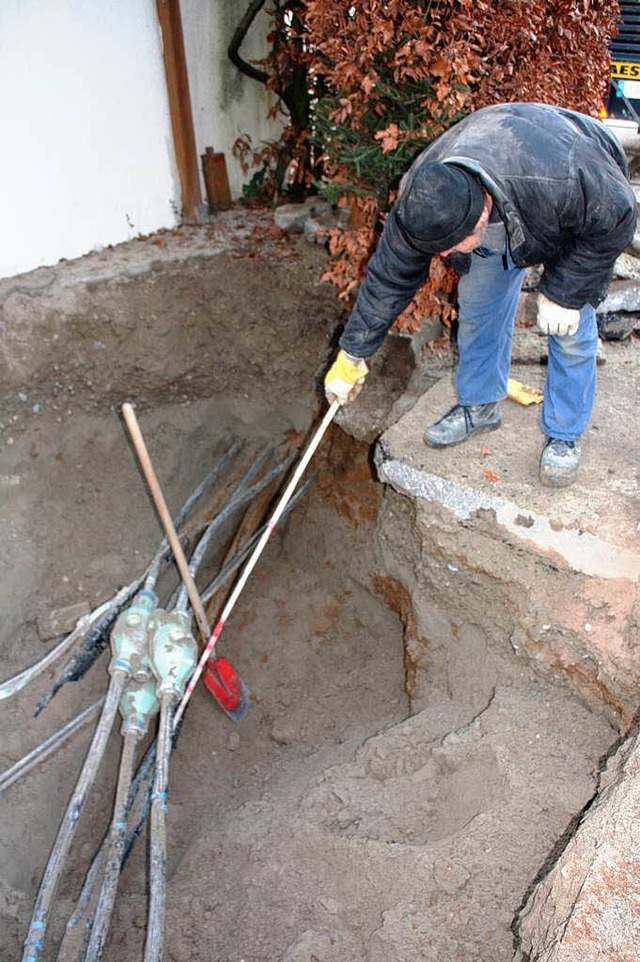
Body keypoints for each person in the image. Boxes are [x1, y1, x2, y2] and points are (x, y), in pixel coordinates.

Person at [324, 102, 637, 487]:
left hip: (574, 198)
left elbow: (618, 215)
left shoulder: (564, 178)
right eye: (440, 248)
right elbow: (388, 278)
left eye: (455, 244)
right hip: (503, 185)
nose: (444, 256)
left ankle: (564, 436)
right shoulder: (421, 199)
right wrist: (353, 353)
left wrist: (566, 292)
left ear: (483, 212)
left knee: (570, 328)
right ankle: (479, 406)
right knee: (478, 307)